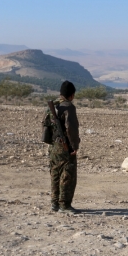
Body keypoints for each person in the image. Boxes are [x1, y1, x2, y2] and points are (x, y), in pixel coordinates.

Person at [49, 80, 81, 214]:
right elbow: (71, 129)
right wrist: (74, 146)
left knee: (55, 174)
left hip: (54, 146)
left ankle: (54, 203)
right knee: (68, 175)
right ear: (72, 95)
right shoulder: (69, 107)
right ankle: (65, 205)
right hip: (65, 146)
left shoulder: (54, 106)